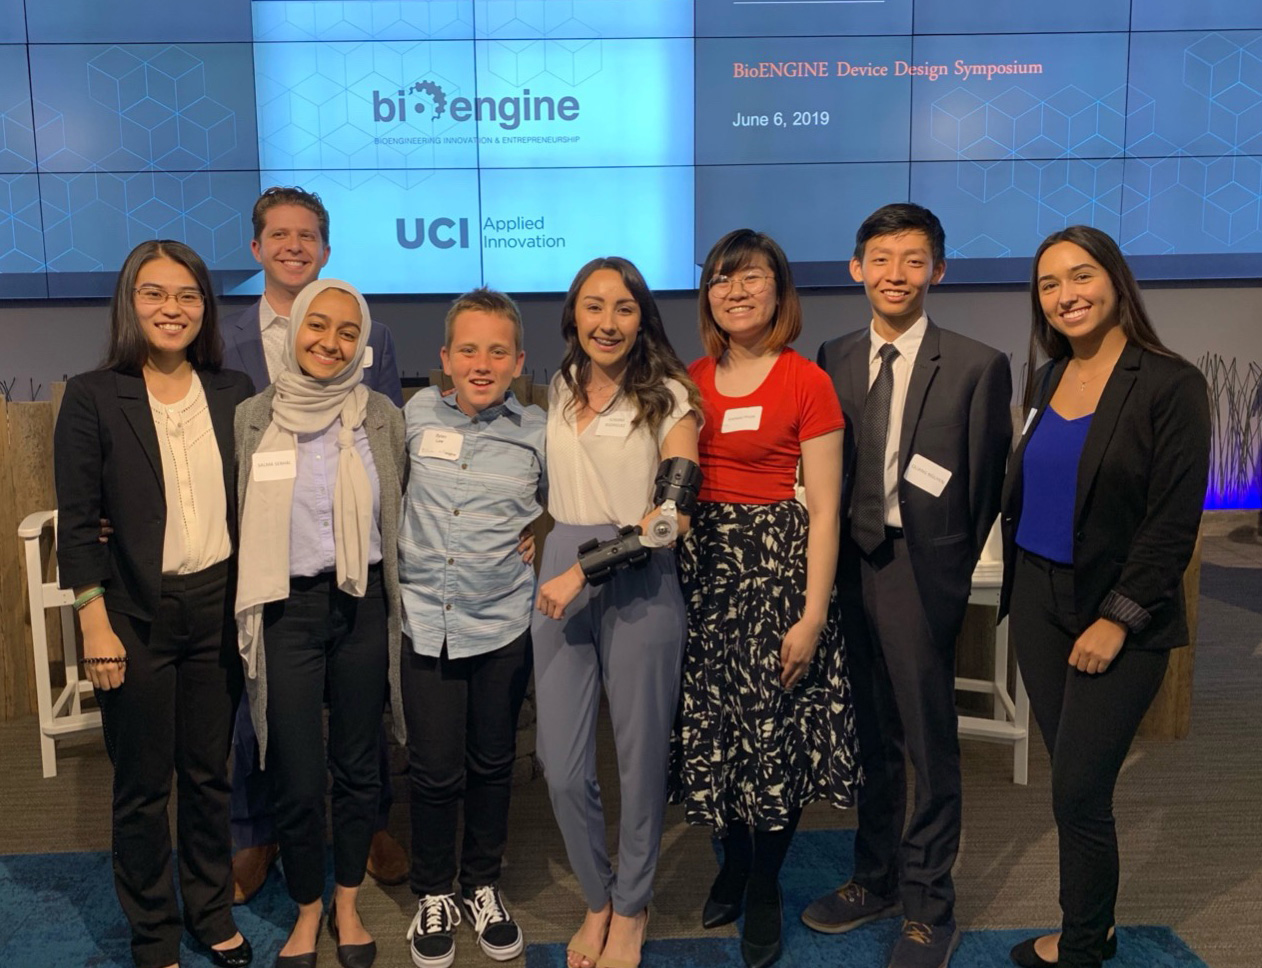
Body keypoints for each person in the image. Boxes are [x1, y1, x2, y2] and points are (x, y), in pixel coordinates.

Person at [805, 203, 1013, 968]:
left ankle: (930, 907)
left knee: (928, 740)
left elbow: (986, 484)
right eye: (881, 258)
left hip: (919, 571)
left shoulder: (977, 364)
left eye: (914, 259)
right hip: (847, 567)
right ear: (857, 268)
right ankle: (876, 878)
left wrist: (946, 575)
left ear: (939, 271)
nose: (897, 274)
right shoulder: (831, 355)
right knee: (871, 736)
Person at [999, 226, 1210, 968]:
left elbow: (1173, 522)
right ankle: (1097, 927)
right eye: (1049, 284)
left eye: (1080, 276)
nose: (1065, 295)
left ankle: (1084, 944)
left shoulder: (1169, 383)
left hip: (1116, 614)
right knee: (1072, 787)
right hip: (1038, 601)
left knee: (1080, 793)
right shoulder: (1048, 378)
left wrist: (1117, 619)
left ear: (1116, 281)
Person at [54, 239, 254, 968]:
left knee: (209, 776)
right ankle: (152, 932)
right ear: (129, 303)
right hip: (133, 619)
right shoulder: (92, 395)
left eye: (188, 295)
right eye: (154, 293)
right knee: (143, 785)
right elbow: (77, 524)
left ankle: (208, 910)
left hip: (217, 610)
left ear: (205, 307)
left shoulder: (232, 392)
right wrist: (94, 623)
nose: (172, 308)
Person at [671, 229, 859, 968]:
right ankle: (734, 861)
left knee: (772, 741)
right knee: (719, 739)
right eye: (722, 279)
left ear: (780, 292)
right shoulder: (689, 380)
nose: (736, 291)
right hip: (705, 581)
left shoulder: (806, 381)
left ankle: (763, 887)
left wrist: (812, 615)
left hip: (778, 581)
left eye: (751, 278)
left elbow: (824, 509)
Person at [221, 185, 407, 900]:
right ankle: (256, 830)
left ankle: (370, 827)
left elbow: (388, 449)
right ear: (257, 247)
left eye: (308, 236)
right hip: (273, 567)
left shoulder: (374, 334)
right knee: (262, 714)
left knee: (365, 716)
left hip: (356, 574)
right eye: (279, 234)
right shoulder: (226, 336)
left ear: (325, 250)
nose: (294, 245)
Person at [532, 257, 702, 968]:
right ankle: (596, 899)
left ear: (643, 317)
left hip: (636, 576)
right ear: (573, 314)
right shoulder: (558, 386)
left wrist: (583, 568)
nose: (608, 322)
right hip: (560, 573)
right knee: (561, 766)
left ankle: (630, 908)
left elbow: (671, 517)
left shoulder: (669, 394)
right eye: (594, 306)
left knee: (639, 759)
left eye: (624, 307)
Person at [398, 289, 545, 968]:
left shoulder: (539, 431)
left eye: (496, 351)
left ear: (518, 360)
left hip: (501, 625)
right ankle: (434, 891)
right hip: (426, 623)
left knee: (492, 764)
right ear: (445, 358)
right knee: (431, 770)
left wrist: (544, 529)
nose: (481, 364)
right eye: (468, 350)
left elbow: (576, 505)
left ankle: (481, 883)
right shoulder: (411, 416)